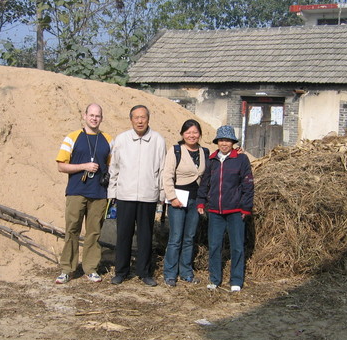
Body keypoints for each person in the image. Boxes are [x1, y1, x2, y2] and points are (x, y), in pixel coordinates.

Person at [108, 104, 166, 286]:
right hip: (125, 195)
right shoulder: (122, 139)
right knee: (123, 235)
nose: (140, 121)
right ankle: (121, 271)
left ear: (148, 119)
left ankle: (144, 272)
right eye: (136, 117)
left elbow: (163, 169)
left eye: (143, 117)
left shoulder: (157, 140)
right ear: (131, 120)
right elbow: (114, 168)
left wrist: (161, 194)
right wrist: (112, 192)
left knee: (145, 235)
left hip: (148, 196)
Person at [55, 103, 112, 284]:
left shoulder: (109, 140)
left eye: (98, 116)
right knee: (72, 230)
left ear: (101, 118)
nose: (94, 118)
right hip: (76, 191)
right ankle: (67, 269)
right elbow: (61, 166)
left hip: (99, 193)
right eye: (92, 115)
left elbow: (112, 166)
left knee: (94, 232)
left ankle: (91, 268)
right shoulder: (72, 138)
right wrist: (84, 166)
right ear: (84, 115)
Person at [197, 125, 254, 292]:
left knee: (237, 246)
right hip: (215, 211)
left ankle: (236, 280)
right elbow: (205, 183)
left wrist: (246, 208)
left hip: (236, 210)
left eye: (227, 140)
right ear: (217, 142)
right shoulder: (212, 160)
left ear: (232, 142)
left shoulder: (241, 159)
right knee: (214, 245)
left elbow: (248, 185)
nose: (224, 143)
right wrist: (201, 201)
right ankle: (215, 279)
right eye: (221, 140)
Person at [161, 119, 209, 287]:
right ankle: (170, 273)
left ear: (200, 134)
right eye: (188, 132)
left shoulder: (204, 152)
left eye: (195, 132)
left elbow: (206, 176)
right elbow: (167, 175)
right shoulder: (175, 151)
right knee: (175, 237)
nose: (192, 135)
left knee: (189, 237)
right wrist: (172, 197)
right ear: (182, 134)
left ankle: (186, 272)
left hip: (195, 201)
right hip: (178, 199)